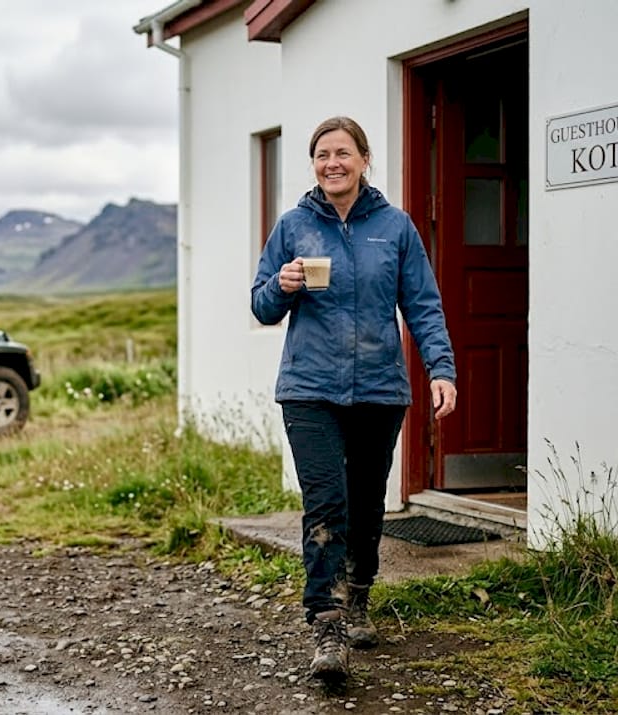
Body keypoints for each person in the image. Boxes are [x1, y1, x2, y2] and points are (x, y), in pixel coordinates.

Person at [250, 116, 457, 682]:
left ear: (365, 159)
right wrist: (282, 286)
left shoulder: (395, 227)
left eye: (343, 152)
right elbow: (261, 305)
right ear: (313, 164)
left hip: (379, 390)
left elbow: (423, 303)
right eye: (322, 155)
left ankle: (359, 593)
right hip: (309, 389)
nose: (332, 163)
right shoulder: (293, 226)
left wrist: (441, 368)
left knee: (367, 503)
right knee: (326, 503)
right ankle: (328, 627)